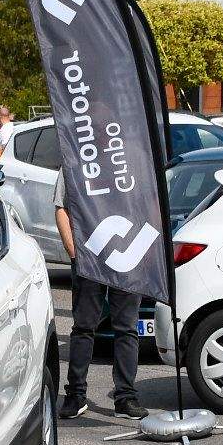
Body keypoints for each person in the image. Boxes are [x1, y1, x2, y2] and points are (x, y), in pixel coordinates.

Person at [55, 169, 145, 420]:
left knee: (126, 328)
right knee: (84, 327)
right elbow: (61, 207)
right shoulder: (77, 153)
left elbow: (148, 205)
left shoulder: (129, 157)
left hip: (127, 255)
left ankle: (126, 398)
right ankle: (76, 395)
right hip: (88, 256)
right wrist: (74, 253)